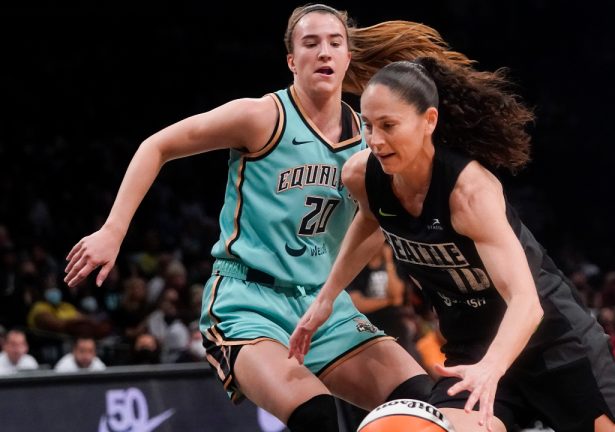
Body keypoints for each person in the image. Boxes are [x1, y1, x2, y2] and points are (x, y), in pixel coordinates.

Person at [63, 4, 473, 431]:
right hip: (246, 301)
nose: (324, 52)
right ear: (292, 61)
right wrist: (113, 229)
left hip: (320, 304)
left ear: (348, 58)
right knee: (317, 415)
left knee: (421, 404)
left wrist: (336, 284)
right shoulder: (261, 117)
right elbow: (158, 145)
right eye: (310, 44)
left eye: (335, 43)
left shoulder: (370, 141)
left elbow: (376, 225)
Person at [289, 57, 615, 432]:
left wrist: (493, 368)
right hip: (473, 351)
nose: (376, 140)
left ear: (429, 120)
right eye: (368, 126)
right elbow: (370, 220)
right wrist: (326, 298)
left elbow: (527, 304)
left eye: (389, 126)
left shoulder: (469, 193)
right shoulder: (362, 175)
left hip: (556, 346)